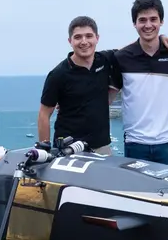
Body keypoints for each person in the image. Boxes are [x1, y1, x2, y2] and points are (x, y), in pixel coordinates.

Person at [110, 0, 168, 167]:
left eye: (153, 19)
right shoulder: (122, 58)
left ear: (161, 21)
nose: (148, 25)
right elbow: (106, 99)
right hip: (134, 145)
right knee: (137, 194)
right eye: (142, 20)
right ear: (134, 23)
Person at [37, 16, 117, 155]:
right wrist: (45, 150)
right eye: (78, 37)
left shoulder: (104, 60)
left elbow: (132, 50)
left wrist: (161, 38)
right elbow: (44, 114)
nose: (84, 42)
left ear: (97, 38)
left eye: (89, 36)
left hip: (101, 147)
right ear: (70, 41)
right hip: (69, 149)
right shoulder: (58, 74)